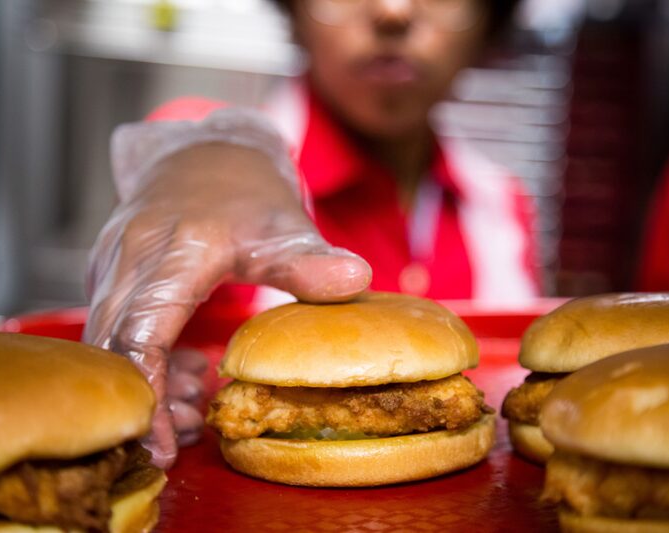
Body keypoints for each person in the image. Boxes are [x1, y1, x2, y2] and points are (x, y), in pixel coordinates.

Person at [84, 0, 533, 469]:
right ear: (294, 12)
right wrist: (205, 153)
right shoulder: (230, 173)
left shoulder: (502, 205)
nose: (394, 10)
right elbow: (189, 131)